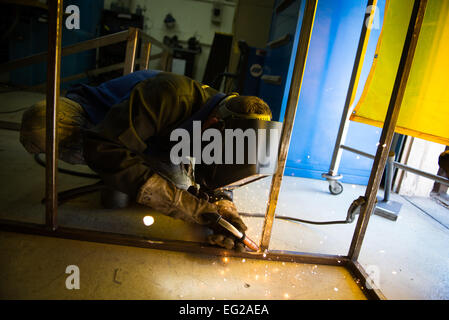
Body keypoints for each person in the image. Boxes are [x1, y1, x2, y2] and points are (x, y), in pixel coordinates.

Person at [20, 70, 273, 252]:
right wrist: (185, 206)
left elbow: (218, 175)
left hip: (153, 145)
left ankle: (120, 173)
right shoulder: (171, 94)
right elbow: (102, 146)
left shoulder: (219, 126)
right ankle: (116, 170)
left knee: (159, 192)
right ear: (214, 125)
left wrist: (225, 211)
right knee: (40, 125)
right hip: (96, 120)